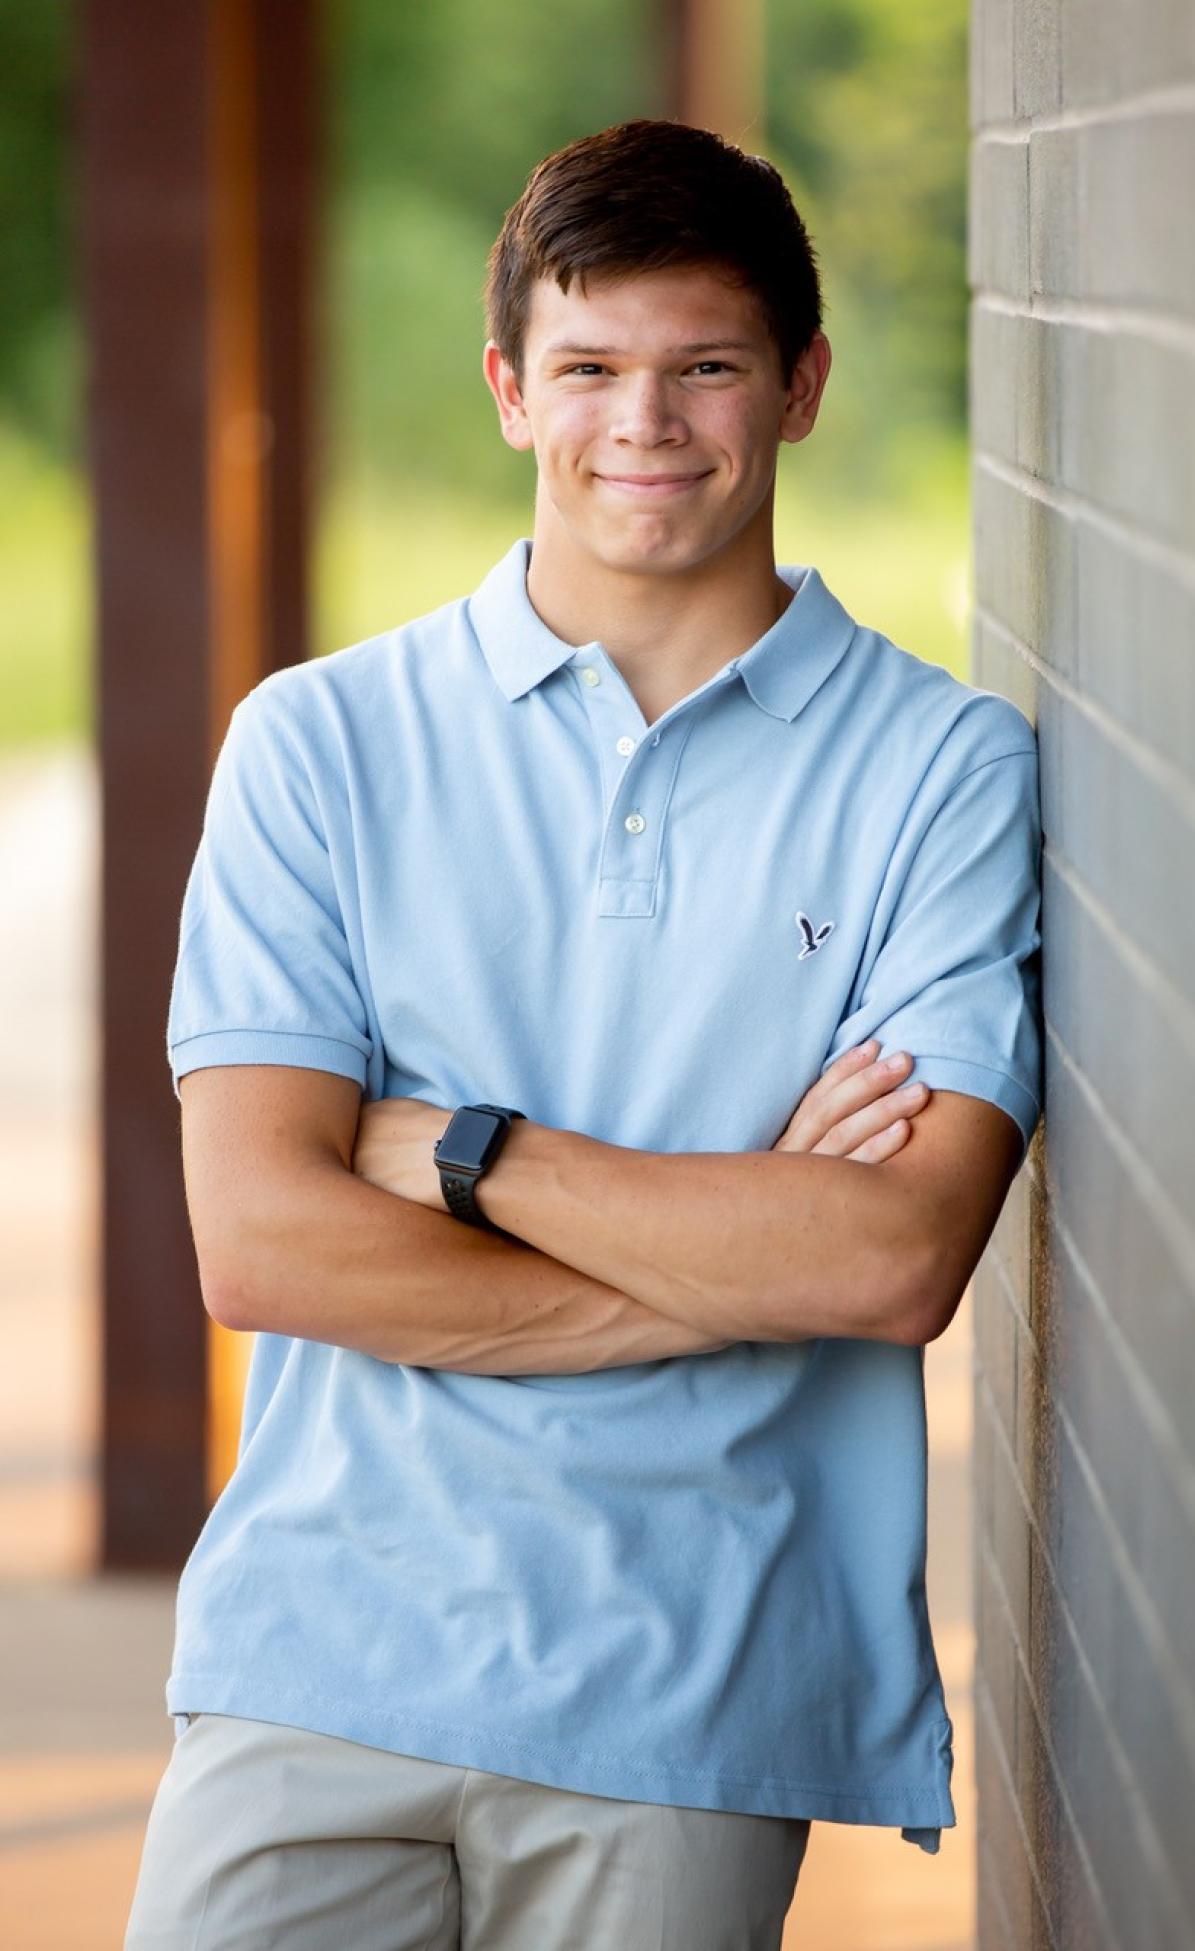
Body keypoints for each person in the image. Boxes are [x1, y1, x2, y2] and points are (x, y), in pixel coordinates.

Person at [125, 117, 1042, 1950]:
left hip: (695, 1699)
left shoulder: (943, 770)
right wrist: (728, 1252)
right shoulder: (319, 745)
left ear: (799, 387)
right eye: (592, 368)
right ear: (507, 392)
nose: (646, 422)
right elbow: (262, 1243)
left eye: (705, 366)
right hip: (317, 1651)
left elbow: (886, 1255)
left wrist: (467, 1152)